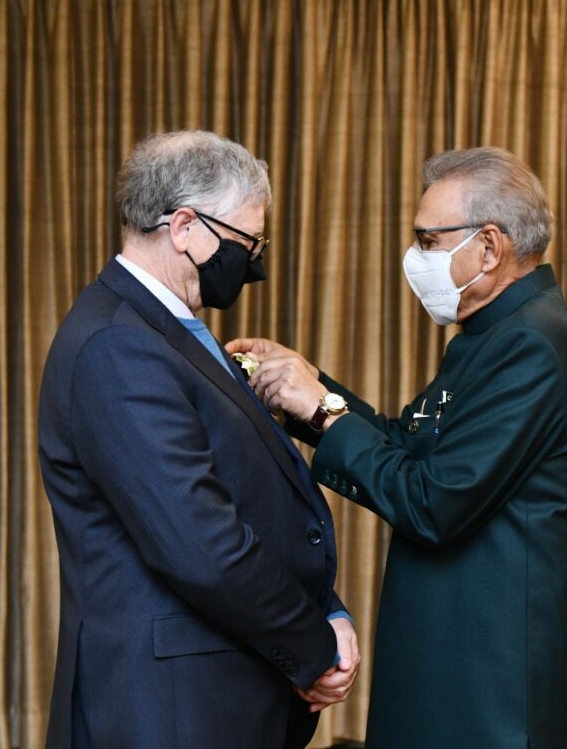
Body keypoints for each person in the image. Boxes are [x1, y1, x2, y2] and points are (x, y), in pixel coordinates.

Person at [228, 147, 567, 749]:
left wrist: (321, 410)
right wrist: (306, 386)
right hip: (454, 659)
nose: (416, 257)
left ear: (489, 246)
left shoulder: (531, 345)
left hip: (489, 682)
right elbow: (410, 446)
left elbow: (433, 500)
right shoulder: (494, 334)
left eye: (428, 240)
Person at [38, 130, 358, 749]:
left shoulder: (165, 332)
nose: (254, 263)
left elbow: (254, 503)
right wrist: (314, 647)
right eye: (246, 242)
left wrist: (328, 607)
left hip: (216, 689)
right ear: (184, 226)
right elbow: (201, 543)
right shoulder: (119, 344)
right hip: (170, 708)